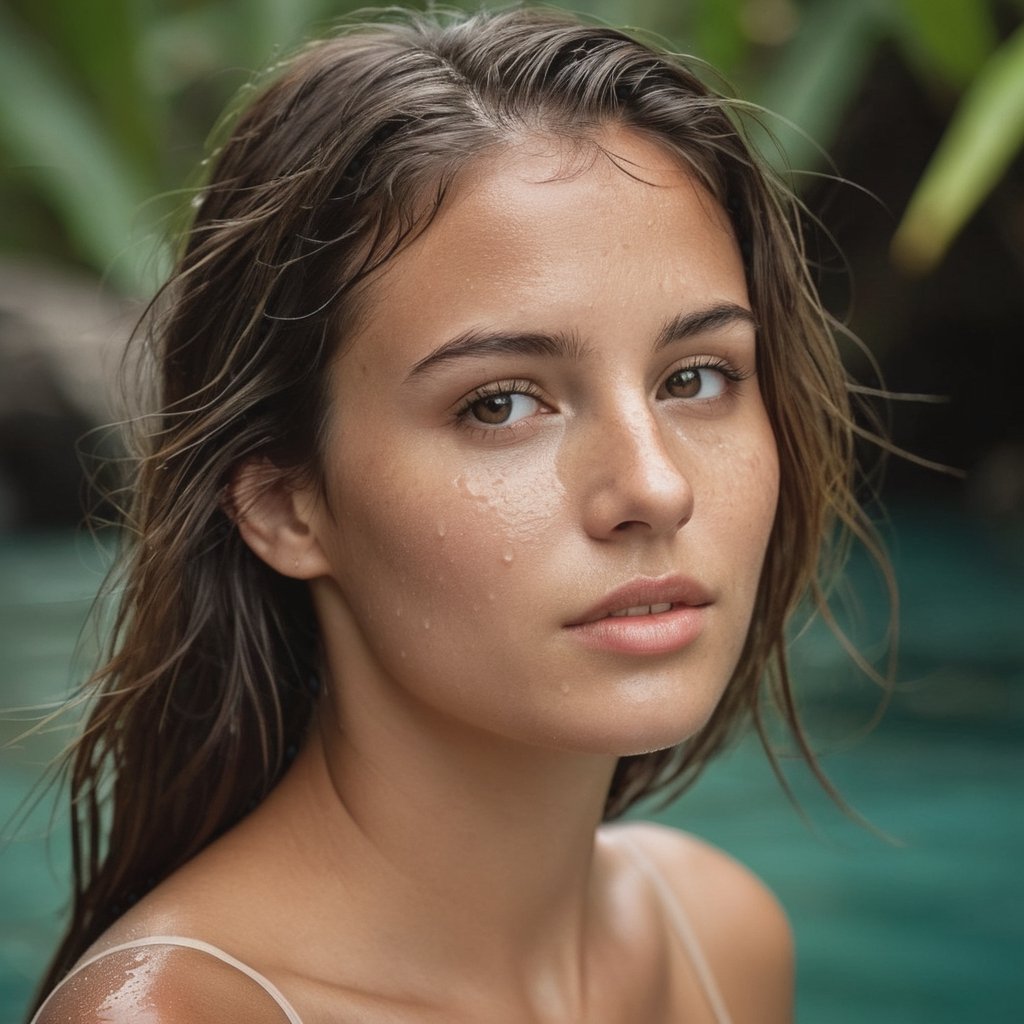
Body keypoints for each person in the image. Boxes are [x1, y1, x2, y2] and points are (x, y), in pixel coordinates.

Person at [29, 7, 881, 1023]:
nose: (655, 487)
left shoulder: (716, 936)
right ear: (285, 503)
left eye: (694, 377)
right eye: (501, 403)